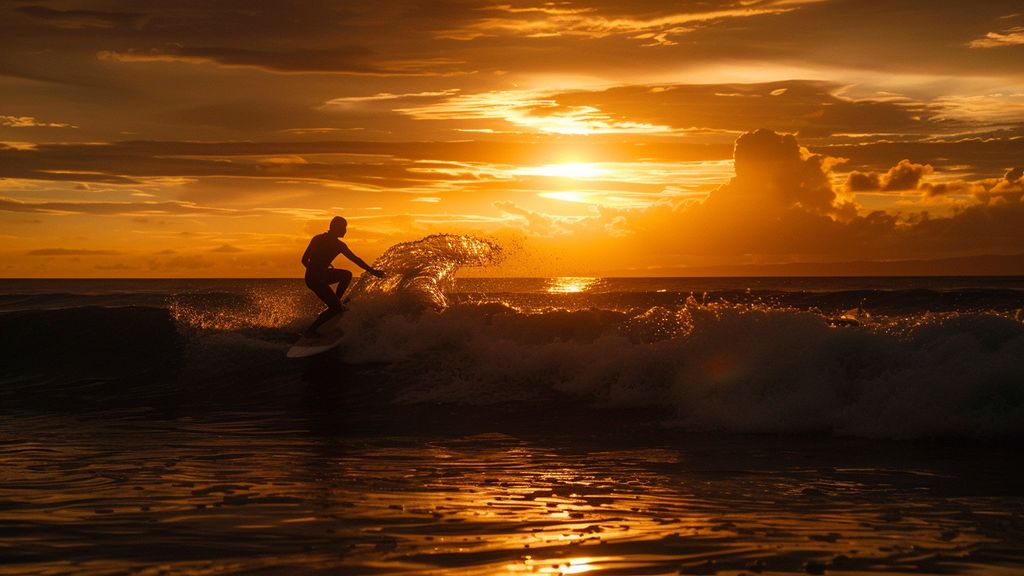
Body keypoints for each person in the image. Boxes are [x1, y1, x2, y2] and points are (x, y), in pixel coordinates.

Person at [301, 216, 384, 336]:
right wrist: (317, 273)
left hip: (315, 276)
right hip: (315, 279)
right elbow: (356, 260)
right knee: (336, 308)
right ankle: (310, 331)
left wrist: (317, 270)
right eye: (344, 227)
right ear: (336, 228)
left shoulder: (322, 240)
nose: (345, 230)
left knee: (346, 275)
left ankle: (336, 302)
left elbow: (304, 260)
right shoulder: (332, 243)